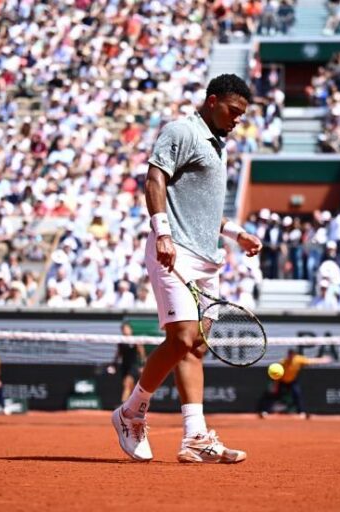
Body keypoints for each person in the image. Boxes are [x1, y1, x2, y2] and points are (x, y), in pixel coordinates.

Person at [111, 74, 262, 464]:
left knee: (195, 347)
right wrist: (161, 233)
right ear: (212, 101)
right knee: (181, 339)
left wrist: (236, 233)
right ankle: (131, 413)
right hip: (175, 251)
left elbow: (202, 210)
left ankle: (195, 437)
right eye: (233, 111)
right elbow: (154, 178)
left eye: (242, 115)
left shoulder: (219, 146)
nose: (236, 120)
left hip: (207, 258)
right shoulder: (182, 131)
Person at [257, 349, 332, 418]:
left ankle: (301, 412)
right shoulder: (283, 362)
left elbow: (311, 361)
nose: (290, 356)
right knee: (274, 396)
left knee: (297, 394)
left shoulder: (298, 360)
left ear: (294, 355)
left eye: (292, 355)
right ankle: (265, 411)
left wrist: (322, 360)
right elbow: (278, 377)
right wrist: (276, 386)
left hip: (292, 381)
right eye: (289, 354)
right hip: (282, 381)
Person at [109, 322, 147, 402]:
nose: (125, 331)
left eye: (127, 329)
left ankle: (123, 405)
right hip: (124, 366)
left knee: (127, 384)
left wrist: (142, 365)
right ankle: (136, 403)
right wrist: (113, 364)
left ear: (131, 330)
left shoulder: (136, 341)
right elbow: (118, 354)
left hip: (133, 365)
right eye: (123, 329)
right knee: (129, 386)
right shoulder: (121, 342)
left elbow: (142, 354)